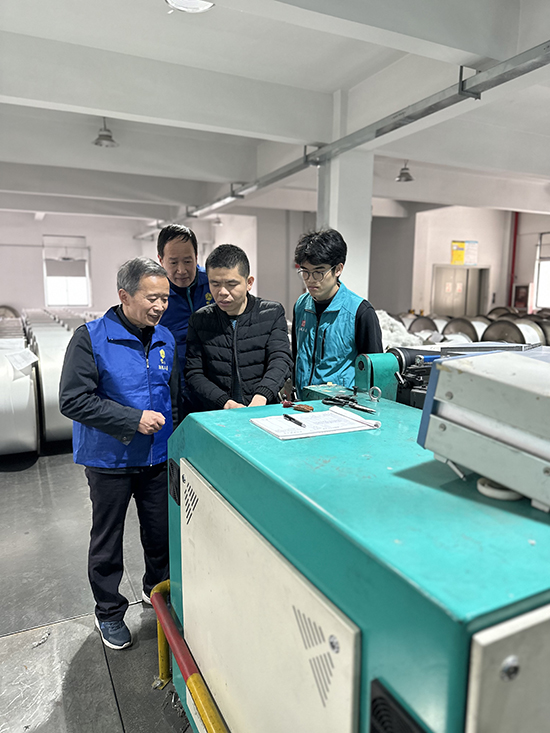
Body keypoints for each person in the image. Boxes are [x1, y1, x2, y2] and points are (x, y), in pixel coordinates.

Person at [59, 257, 180, 650]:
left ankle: (155, 589)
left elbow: (172, 397)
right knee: (107, 539)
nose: (160, 306)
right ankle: (109, 612)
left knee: (160, 534)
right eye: (152, 298)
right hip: (108, 460)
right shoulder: (91, 338)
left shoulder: (165, 338)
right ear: (124, 295)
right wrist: (132, 420)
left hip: (156, 458)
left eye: (165, 298)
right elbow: (73, 400)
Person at [185, 244, 293, 410]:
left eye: (231, 284)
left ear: (249, 283)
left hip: (262, 408)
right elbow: (194, 373)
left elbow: (280, 360)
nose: (222, 292)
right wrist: (225, 402)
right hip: (218, 412)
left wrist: (261, 396)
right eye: (215, 283)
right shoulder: (200, 320)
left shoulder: (271, 313)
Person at [292, 229, 383, 396]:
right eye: (305, 272)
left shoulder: (360, 312)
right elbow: (296, 354)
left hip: (342, 405)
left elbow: (375, 372)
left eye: (319, 272)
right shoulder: (301, 306)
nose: (310, 279)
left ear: (338, 269)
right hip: (303, 402)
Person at [157, 224, 211, 374]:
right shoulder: (154, 295)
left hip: (215, 377)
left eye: (188, 261)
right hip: (175, 378)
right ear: (161, 260)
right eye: (173, 263)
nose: (181, 270)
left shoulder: (213, 283)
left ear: (196, 257)